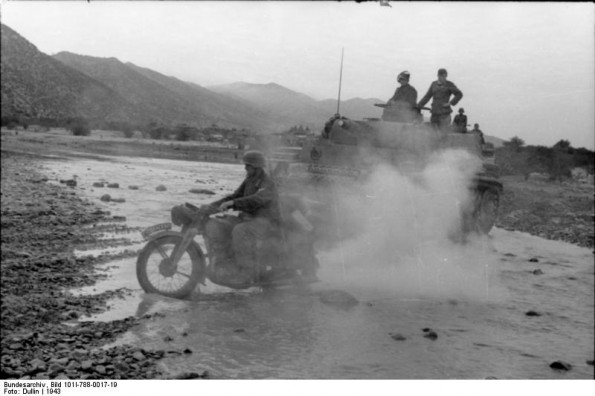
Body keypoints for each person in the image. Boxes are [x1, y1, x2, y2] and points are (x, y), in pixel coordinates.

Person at [204, 150, 280, 285]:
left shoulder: (267, 183)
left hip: (264, 221)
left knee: (240, 231)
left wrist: (234, 203)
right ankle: (225, 263)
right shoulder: (249, 180)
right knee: (220, 224)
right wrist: (212, 206)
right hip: (247, 217)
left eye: (248, 166)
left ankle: (246, 273)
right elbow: (235, 196)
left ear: (256, 167)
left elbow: (256, 200)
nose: (245, 168)